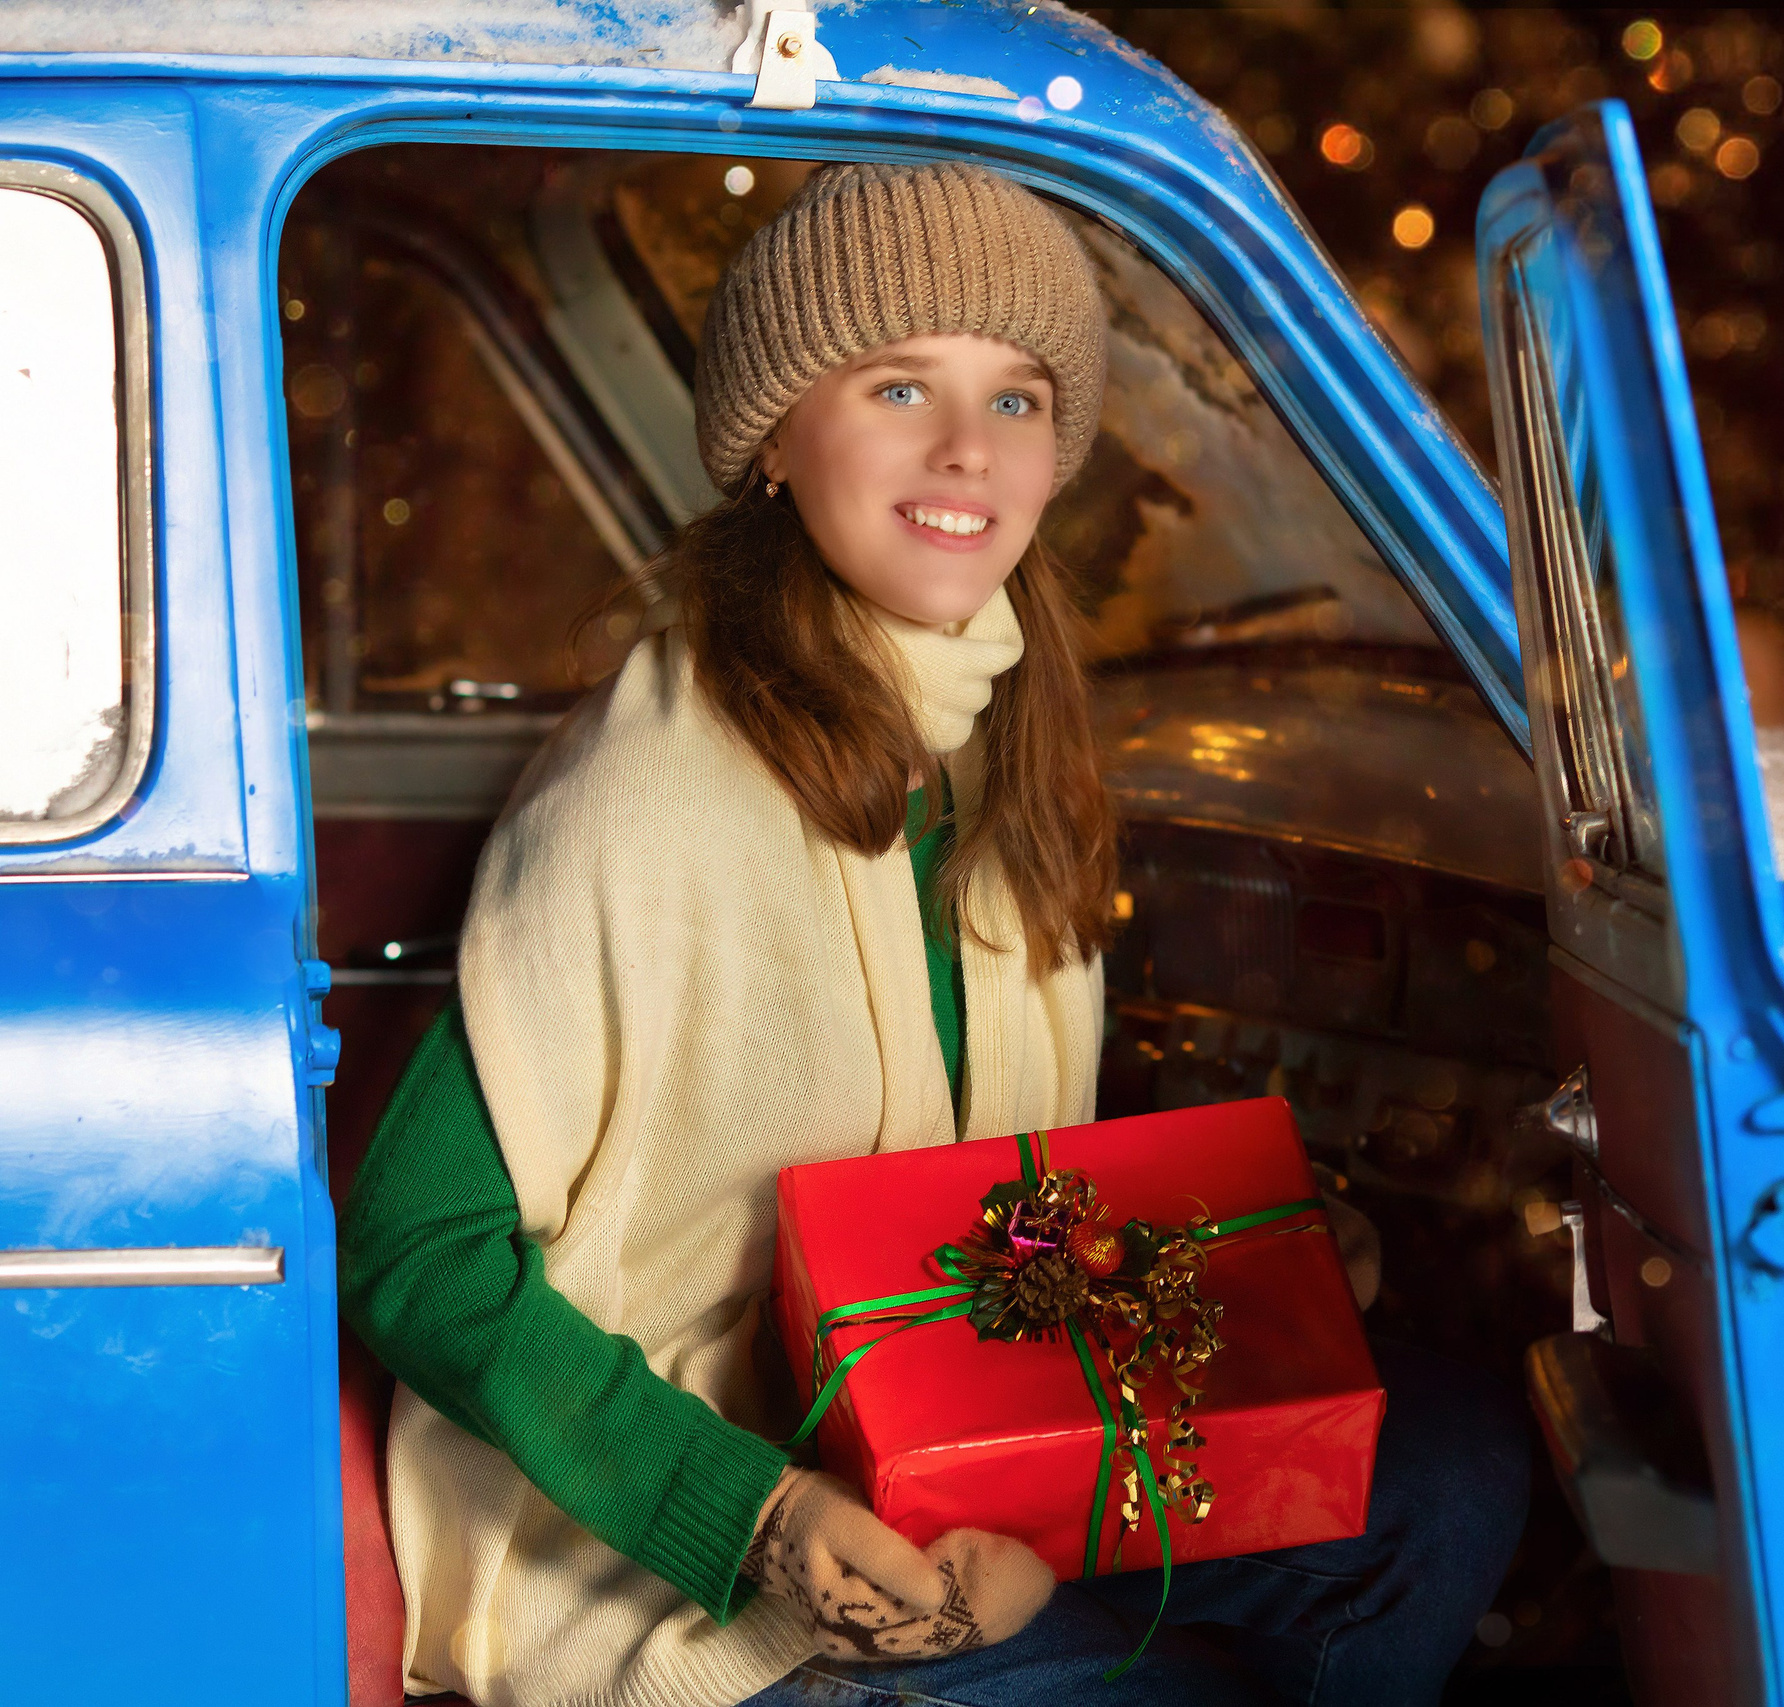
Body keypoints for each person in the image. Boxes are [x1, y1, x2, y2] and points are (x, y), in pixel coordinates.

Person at [339, 160, 1529, 1707]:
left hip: (952, 1450)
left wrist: (1251, 1261)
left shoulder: (994, 731)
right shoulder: (653, 793)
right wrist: (758, 1518)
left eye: (1020, 398)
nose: (969, 448)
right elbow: (417, 1253)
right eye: (900, 386)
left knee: (1448, 1465)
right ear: (776, 437)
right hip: (688, 1536)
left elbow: (971, 1210)